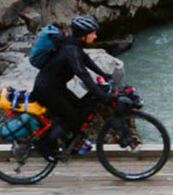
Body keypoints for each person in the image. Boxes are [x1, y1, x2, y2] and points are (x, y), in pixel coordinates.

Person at [30, 15, 112, 156]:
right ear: (83, 35)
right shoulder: (71, 50)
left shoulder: (73, 45)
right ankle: (44, 145)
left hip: (55, 88)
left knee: (79, 108)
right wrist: (100, 94)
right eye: (93, 33)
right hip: (47, 91)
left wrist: (104, 74)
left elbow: (86, 61)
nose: (96, 36)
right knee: (71, 118)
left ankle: (68, 141)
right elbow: (82, 73)